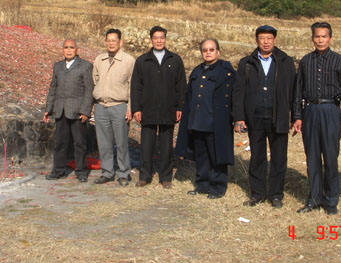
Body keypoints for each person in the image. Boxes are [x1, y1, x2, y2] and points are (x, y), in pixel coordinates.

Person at [292, 22, 341, 215]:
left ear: (330, 38)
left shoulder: (339, 61)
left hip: (330, 110)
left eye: (324, 36)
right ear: (312, 38)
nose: (320, 40)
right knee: (312, 157)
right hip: (310, 110)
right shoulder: (306, 61)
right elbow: (298, 91)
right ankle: (314, 198)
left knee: (330, 157)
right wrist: (297, 116)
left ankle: (331, 201)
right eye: (317, 36)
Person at [233, 25, 296, 208]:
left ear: (274, 40)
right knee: (257, 156)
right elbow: (239, 91)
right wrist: (239, 117)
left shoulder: (285, 62)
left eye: (269, 38)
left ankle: (276, 195)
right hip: (255, 117)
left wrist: (295, 116)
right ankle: (257, 193)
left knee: (279, 157)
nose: (266, 42)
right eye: (262, 38)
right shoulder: (246, 63)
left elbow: (293, 91)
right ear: (257, 40)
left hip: (279, 117)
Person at [175, 39, 236, 199]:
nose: (208, 53)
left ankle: (217, 187)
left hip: (216, 121)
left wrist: (237, 118)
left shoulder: (226, 71)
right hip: (198, 120)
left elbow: (234, 96)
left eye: (211, 50)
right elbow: (190, 96)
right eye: (205, 50)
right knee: (201, 155)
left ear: (218, 52)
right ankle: (202, 184)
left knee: (217, 155)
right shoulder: (197, 71)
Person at [131, 26, 186, 189]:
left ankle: (165, 177)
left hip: (168, 109)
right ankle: (144, 176)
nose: (159, 40)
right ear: (151, 40)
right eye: (156, 38)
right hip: (147, 109)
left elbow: (181, 86)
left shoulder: (175, 60)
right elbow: (136, 87)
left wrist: (180, 107)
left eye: (162, 37)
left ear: (165, 39)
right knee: (146, 145)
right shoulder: (142, 61)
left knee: (166, 146)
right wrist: (136, 108)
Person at [43, 39, 94, 182]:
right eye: (66, 47)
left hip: (78, 112)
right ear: (62, 49)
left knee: (79, 143)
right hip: (60, 110)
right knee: (60, 143)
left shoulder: (85, 66)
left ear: (77, 49)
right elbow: (53, 88)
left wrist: (85, 111)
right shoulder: (58, 66)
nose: (69, 50)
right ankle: (58, 170)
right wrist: (48, 109)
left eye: (72, 47)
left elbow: (89, 90)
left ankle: (81, 171)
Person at [92, 28, 135, 186]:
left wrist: (130, 108)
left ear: (120, 42)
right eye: (108, 40)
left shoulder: (129, 61)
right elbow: (95, 81)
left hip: (119, 106)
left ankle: (124, 173)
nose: (111, 43)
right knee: (103, 142)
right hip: (101, 107)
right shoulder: (99, 59)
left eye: (114, 40)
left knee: (121, 142)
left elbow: (133, 87)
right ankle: (107, 172)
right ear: (105, 42)